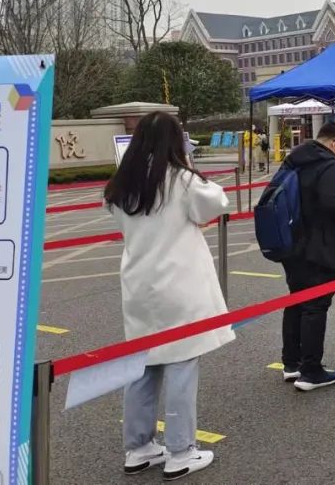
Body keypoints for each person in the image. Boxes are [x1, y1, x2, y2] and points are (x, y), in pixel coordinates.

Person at [105, 111, 233, 480]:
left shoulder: (121, 183)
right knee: (181, 364)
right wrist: (188, 164)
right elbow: (215, 204)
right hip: (178, 285)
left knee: (143, 367)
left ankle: (138, 447)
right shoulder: (180, 179)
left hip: (139, 285)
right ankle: (180, 450)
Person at [276, 121, 335, 390]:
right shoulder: (326, 164)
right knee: (316, 306)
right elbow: (332, 202)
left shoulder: (294, 160)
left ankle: (291, 363)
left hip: (292, 243)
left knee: (296, 301)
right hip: (319, 245)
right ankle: (311, 371)